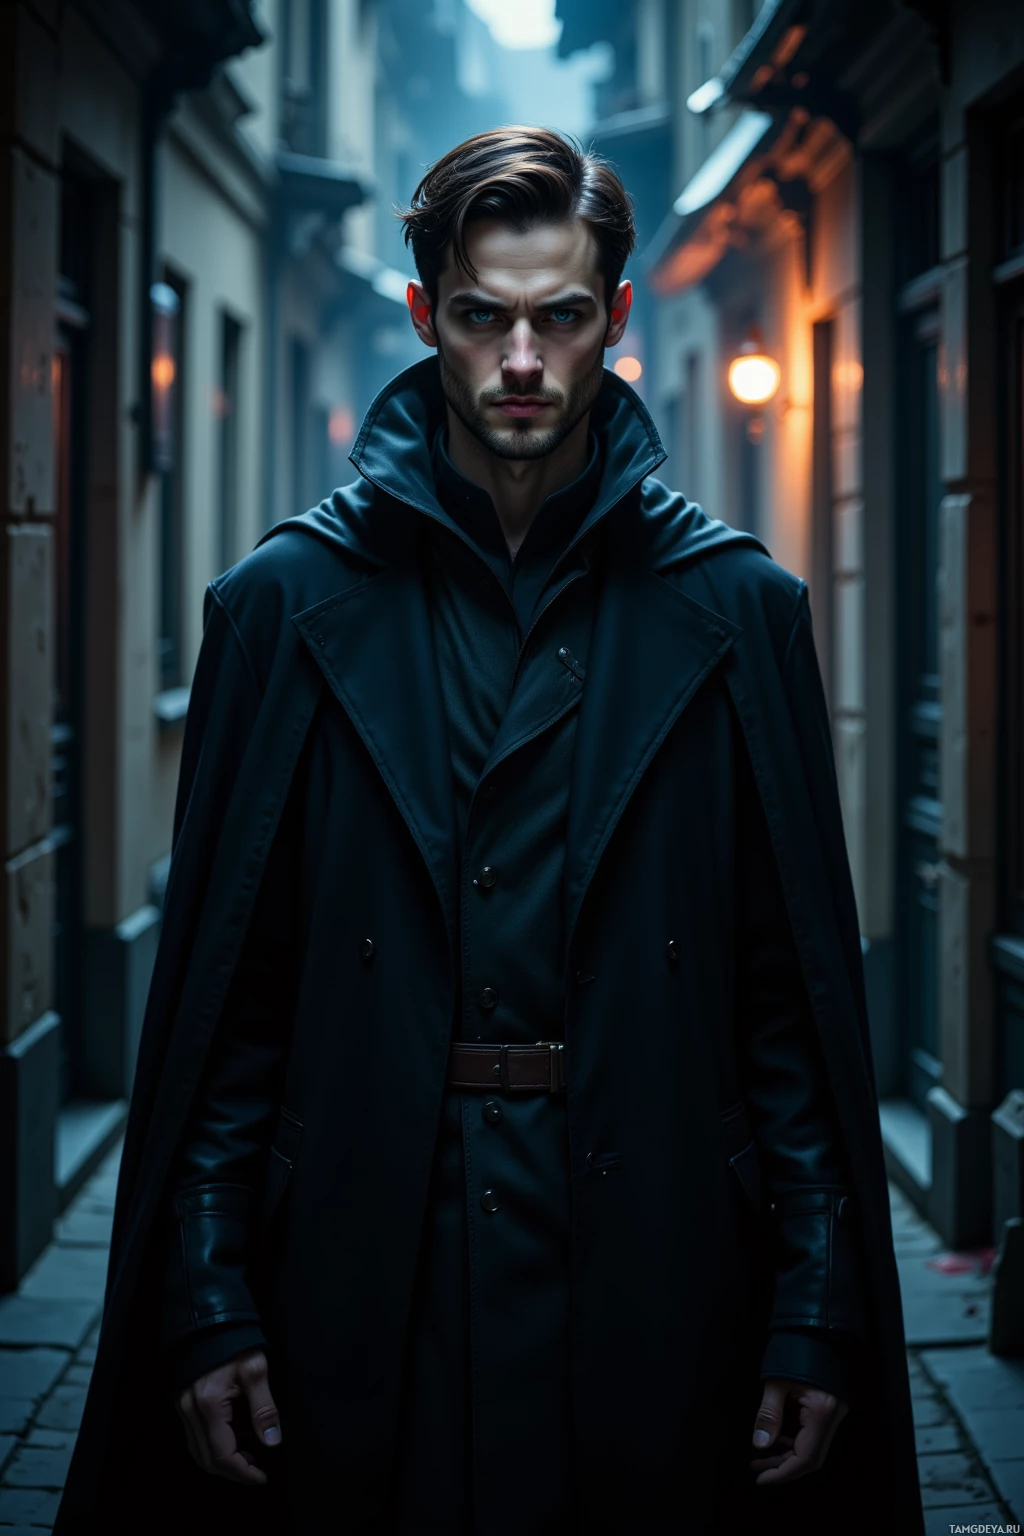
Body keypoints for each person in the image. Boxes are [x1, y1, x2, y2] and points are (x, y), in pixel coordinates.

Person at [55, 127, 923, 1535]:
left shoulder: (736, 613)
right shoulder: (285, 609)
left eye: (561, 316)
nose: (523, 360)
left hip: (657, 1260)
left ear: (617, 320)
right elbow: (229, 1003)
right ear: (425, 316)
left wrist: (817, 1304)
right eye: (484, 316)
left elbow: (790, 1008)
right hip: (359, 1247)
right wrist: (207, 1294)